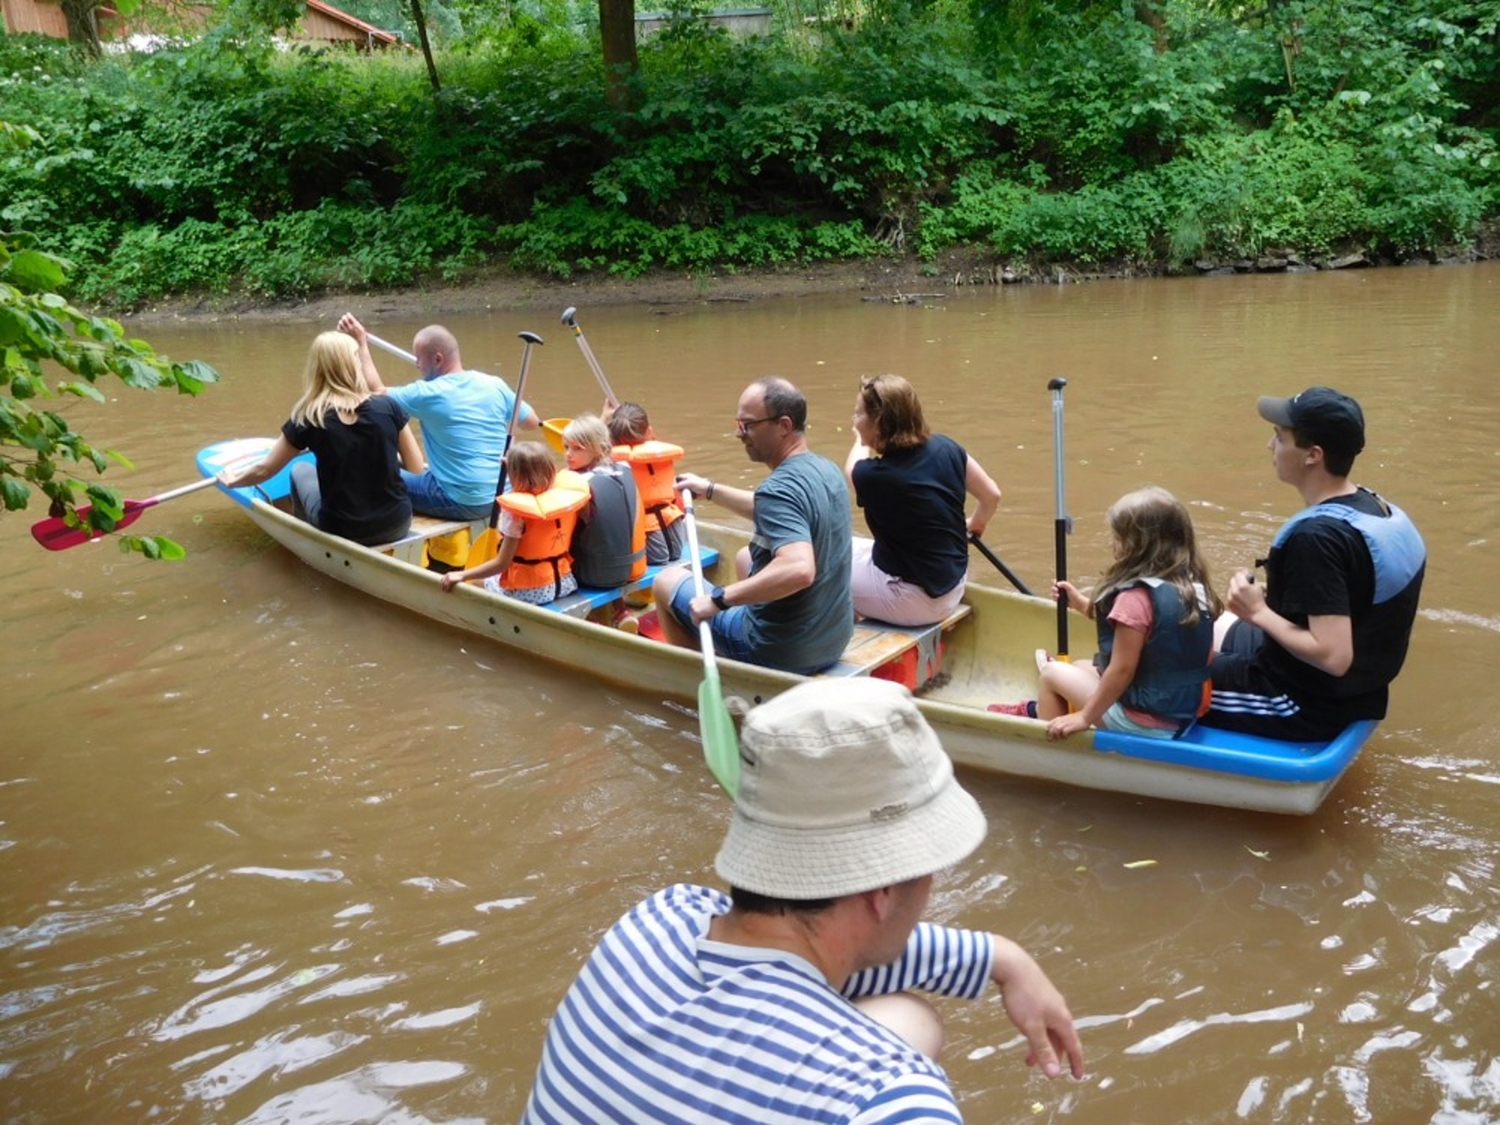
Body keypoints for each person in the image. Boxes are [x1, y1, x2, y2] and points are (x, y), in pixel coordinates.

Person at [521, 677, 1085, 1124]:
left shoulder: (658, 917)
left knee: (912, 1018)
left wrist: (1002, 959)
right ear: (884, 890)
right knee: (913, 1024)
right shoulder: (886, 1100)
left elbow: (820, 955)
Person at [1203, 387, 1426, 740]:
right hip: (1359, 692)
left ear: (1313, 455)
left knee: (1149, 676)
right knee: (1217, 624)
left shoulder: (1316, 539)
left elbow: (1334, 657)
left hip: (1300, 703)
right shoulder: (1374, 507)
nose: (1270, 446)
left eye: (1280, 437)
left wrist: (1257, 612)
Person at [988, 487, 1224, 740]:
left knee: (1052, 674)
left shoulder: (1135, 599)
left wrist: (1085, 716)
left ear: (1138, 546)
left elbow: (1122, 670)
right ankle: (1041, 710)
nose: (1112, 543)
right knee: (1080, 667)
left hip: (1142, 722)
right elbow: (1150, 633)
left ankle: (1050, 741)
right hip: (1180, 713)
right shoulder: (1193, 588)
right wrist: (1081, 604)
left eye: (1117, 537)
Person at [655, 377, 854, 675]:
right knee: (744, 558)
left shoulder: (778, 490)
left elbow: (799, 569)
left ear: (784, 425)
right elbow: (775, 510)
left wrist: (719, 600)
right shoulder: (826, 469)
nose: (739, 433)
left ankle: (698, 678)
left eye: (747, 425)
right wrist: (710, 490)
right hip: (833, 640)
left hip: (780, 652)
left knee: (665, 580)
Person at [217, 331, 421, 547]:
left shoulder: (310, 417)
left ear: (318, 368)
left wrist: (233, 480)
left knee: (300, 469)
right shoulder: (389, 407)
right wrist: (386, 455)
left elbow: (264, 470)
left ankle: (304, 538)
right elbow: (416, 468)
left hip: (344, 530)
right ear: (354, 364)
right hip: (397, 523)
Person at [337, 313, 540, 521]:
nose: (417, 364)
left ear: (437, 359)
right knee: (404, 465)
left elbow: (377, 392)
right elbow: (532, 422)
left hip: (463, 502)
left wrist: (361, 343)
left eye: (419, 358)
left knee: (372, 474)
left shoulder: (427, 393)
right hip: (503, 494)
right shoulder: (493, 384)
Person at [846, 373, 1003, 626]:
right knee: (836, 544)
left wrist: (860, 439)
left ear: (879, 422)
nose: (854, 420)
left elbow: (852, 469)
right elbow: (992, 495)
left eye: (858, 414)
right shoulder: (947, 447)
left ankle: (834, 634)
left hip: (913, 602)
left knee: (818, 566)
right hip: (954, 586)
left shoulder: (876, 476)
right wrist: (976, 523)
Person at [437, 443, 588, 605]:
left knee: (475, 584)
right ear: (551, 467)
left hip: (530, 591)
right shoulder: (564, 498)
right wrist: (516, 465)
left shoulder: (516, 514)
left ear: (514, 475)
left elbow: (501, 564)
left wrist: (462, 575)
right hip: (563, 581)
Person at [561, 414, 645, 589]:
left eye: (577, 448)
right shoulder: (624, 468)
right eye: (566, 447)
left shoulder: (578, 484)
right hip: (636, 566)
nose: (568, 454)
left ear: (598, 449)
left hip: (597, 575)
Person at [606, 401, 685, 564]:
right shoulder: (661, 454)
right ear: (649, 431)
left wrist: (604, 418)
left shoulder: (615, 462)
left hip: (647, 533)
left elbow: (594, 452)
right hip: (674, 527)